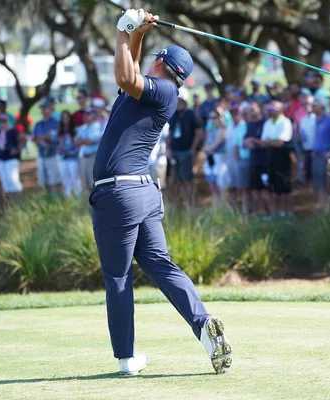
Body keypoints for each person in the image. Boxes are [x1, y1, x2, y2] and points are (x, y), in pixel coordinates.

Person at [90, 9, 232, 376]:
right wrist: (136, 33)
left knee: (118, 278)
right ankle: (203, 326)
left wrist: (123, 29)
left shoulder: (163, 92)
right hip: (143, 194)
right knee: (159, 264)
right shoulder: (151, 90)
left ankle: (126, 359)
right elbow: (130, 72)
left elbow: (124, 73)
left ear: (161, 65)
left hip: (118, 195)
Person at [167, 91, 203, 206]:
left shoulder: (191, 113)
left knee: (188, 179)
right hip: (176, 151)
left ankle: (191, 203)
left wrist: (193, 148)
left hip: (187, 151)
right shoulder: (174, 114)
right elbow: (170, 133)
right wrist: (168, 148)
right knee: (179, 179)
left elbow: (199, 132)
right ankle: (185, 203)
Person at [261, 100, 293, 217]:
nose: (270, 112)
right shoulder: (267, 123)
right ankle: (277, 213)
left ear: (280, 110)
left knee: (285, 186)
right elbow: (264, 142)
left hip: (282, 157)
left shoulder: (285, 122)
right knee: (273, 187)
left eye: (272, 110)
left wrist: (270, 141)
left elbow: (281, 142)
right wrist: (272, 141)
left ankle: (288, 212)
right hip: (270, 157)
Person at [243, 102, 271, 215]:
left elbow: (266, 142)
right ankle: (261, 211)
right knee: (255, 189)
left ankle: (270, 212)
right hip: (253, 160)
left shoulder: (265, 123)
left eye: (254, 109)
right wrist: (247, 142)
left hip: (265, 161)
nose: (252, 112)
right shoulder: (249, 124)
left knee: (265, 189)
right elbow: (244, 140)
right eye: (250, 110)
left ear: (259, 109)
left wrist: (253, 140)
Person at [33, 99, 61, 191]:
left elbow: (54, 137)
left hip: (53, 154)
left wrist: (40, 137)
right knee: (43, 180)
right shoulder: (38, 124)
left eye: (46, 108)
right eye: (42, 109)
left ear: (50, 109)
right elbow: (34, 138)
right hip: (41, 154)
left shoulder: (55, 123)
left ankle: (56, 199)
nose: (44, 111)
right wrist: (43, 138)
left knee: (54, 180)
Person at [203, 109, 229, 207]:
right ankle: (215, 208)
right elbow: (205, 147)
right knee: (212, 186)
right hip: (211, 161)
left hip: (220, 160)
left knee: (221, 186)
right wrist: (208, 149)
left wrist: (209, 148)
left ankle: (222, 208)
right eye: (211, 118)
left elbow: (214, 146)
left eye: (214, 118)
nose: (212, 120)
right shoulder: (212, 132)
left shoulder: (223, 131)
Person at [75, 108, 103, 190]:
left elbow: (91, 141)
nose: (86, 116)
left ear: (93, 115)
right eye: (85, 114)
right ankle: (88, 202)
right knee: (86, 184)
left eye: (89, 114)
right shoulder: (82, 128)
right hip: (84, 157)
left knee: (94, 183)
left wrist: (82, 141)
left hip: (93, 157)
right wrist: (84, 141)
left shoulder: (98, 126)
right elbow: (76, 141)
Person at [230, 106, 251, 214]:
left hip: (256, 160)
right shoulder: (240, 128)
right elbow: (236, 146)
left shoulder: (257, 124)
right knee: (245, 188)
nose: (245, 116)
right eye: (244, 114)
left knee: (257, 189)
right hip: (243, 160)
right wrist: (238, 161)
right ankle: (246, 212)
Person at [0, 114, 23, 198]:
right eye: (1, 121)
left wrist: (17, 149)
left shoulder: (14, 131)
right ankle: (10, 200)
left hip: (11, 158)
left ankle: (18, 197)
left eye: (4, 121)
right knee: (5, 179)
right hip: (2, 157)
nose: (2, 123)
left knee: (12, 178)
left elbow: (23, 140)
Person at [57, 110, 81, 197]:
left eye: (66, 118)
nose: (65, 120)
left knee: (75, 179)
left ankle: (79, 198)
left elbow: (78, 145)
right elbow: (59, 144)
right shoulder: (60, 131)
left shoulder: (75, 130)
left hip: (73, 158)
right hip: (62, 158)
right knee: (65, 180)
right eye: (63, 118)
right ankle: (68, 198)